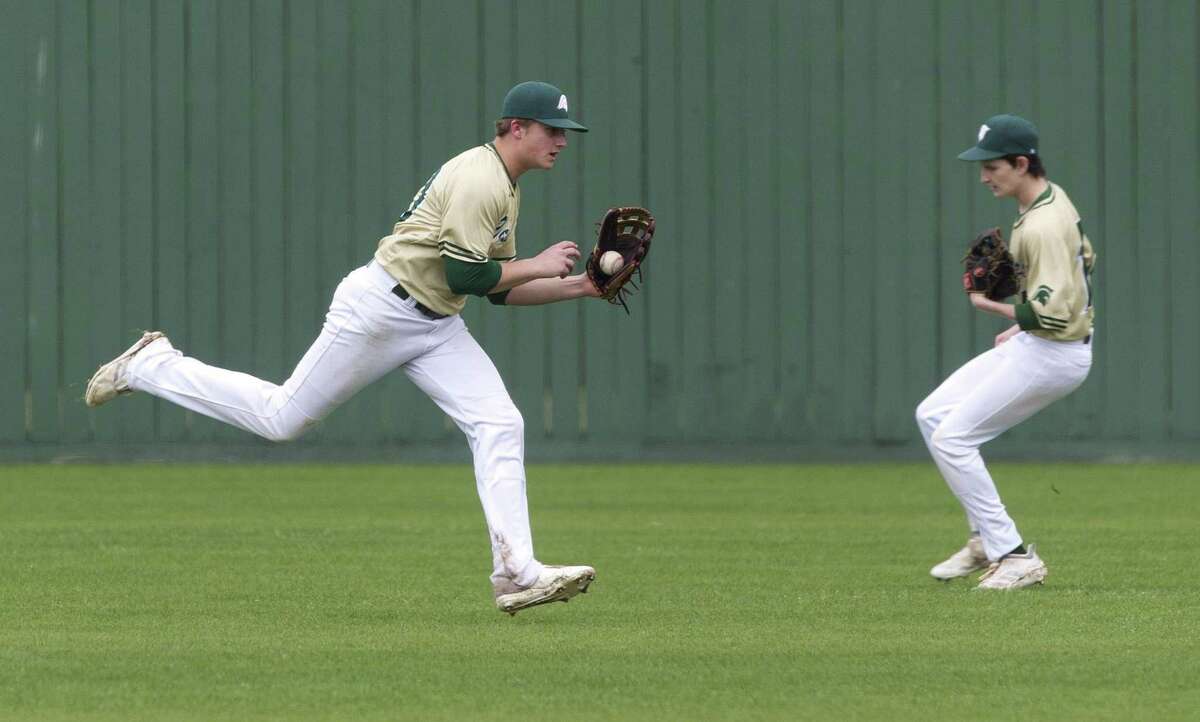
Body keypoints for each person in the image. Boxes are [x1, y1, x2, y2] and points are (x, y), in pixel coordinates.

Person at [85, 81, 600, 614]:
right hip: (382, 309)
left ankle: (517, 572)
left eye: (564, 132)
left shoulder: (505, 185)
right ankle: (152, 366)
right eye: (552, 130)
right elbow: (467, 274)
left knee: (499, 423)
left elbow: (498, 290)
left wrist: (579, 287)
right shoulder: (479, 179)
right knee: (282, 418)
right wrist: (540, 263)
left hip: (437, 323)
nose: (561, 141)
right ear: (517, 127)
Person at [916, 114, 1096, 590]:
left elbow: (1054, 313)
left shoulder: (1042, 226)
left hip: (1055, 354)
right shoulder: (1050, 200)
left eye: (992, 166)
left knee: (954, 439)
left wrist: (991, 306)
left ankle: (1013, 556)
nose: (983, 176)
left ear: (1021, 163)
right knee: (933, 415)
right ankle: (984, 539)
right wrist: (1022, 327)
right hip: (1041, 344)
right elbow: (1086, 264)